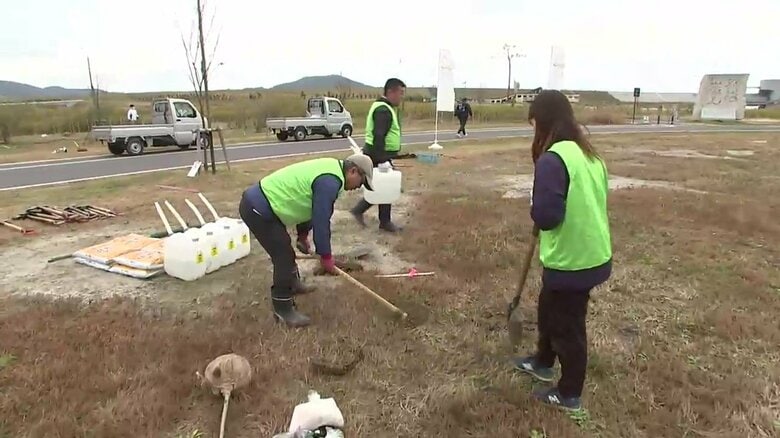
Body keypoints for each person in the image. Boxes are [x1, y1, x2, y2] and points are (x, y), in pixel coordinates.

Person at [512, 89, 612, 410]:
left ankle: (569, 393)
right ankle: (542, 361)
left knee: (568, 325)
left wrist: (536, 207)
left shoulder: (553, 159)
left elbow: (548, 216)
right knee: (548, 307)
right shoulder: (588, 154)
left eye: (534, 125)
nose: (534, 134)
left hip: (574, 259)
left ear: (543, 123)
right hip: (591, 251)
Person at [238, 154, 375, 328]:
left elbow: (310, 204)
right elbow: (321, 219)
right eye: (361, 182)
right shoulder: (330, 181)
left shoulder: (332, 171)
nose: (358, 187)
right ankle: (283, 309)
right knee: (283, 257)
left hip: (263, 206)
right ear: (353, 171)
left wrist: (302, 235)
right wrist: (325, 256)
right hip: (257, 208)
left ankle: (293, 283)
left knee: (285, 249)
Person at [350, 78, 406, 233]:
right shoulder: (383, 110)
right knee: (383, 186)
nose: (402, 97)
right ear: (391, 92)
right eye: (400, 93)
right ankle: (377, 218)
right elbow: (379, 136)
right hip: (377, 154)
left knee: (382, 185)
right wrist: (382, 161)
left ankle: (381, 220)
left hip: (378, 154)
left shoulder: (383, 107)